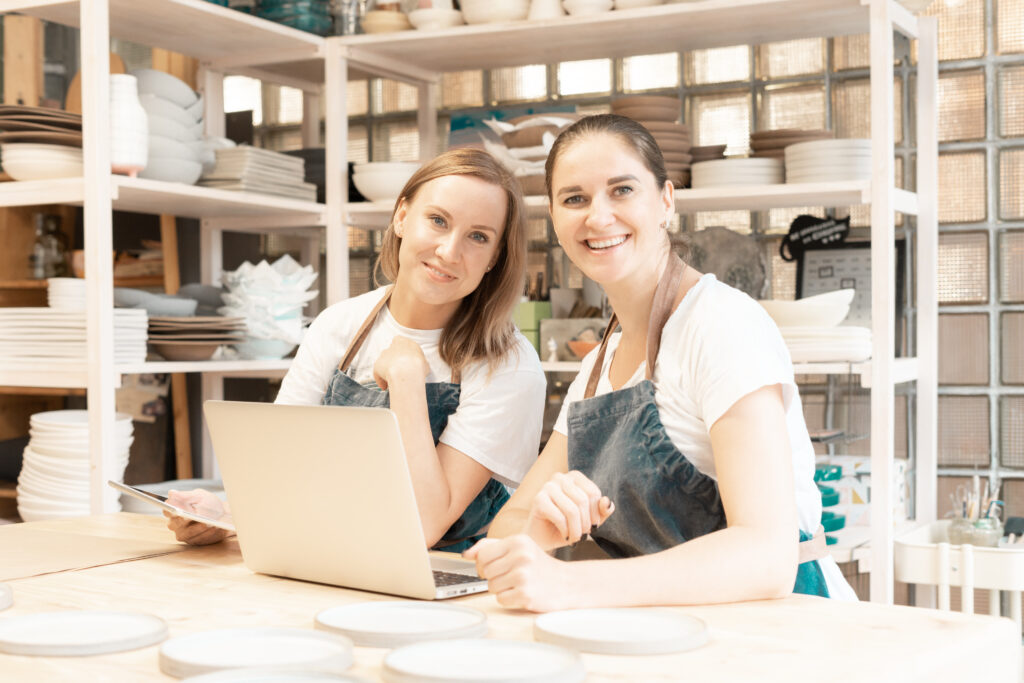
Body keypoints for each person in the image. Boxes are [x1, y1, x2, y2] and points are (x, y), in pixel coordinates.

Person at [465, 114, 857, 610]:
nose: (598, 216)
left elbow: (767, 556)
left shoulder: (721, 324)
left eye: (622, 190)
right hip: (672, 633)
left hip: (780, 632)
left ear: (666, 201)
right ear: (555, 217)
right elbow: (504, 536)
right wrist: (541, 527)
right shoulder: (598, 368)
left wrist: (569, 585)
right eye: (575, 198)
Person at [166, 148, 547, 552]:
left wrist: (405, 381)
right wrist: (226, 515)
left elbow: (423, 525)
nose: (450, 252)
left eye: (478, 237)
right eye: (438, 221)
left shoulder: (508, 365)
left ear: (495, 258)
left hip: (450, 580)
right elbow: (280, 466)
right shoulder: (339, 326)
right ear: (402, 217)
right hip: (334, 554)